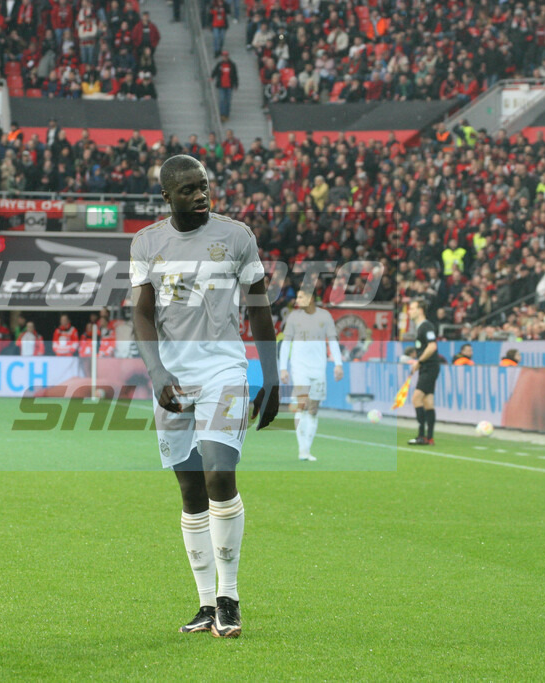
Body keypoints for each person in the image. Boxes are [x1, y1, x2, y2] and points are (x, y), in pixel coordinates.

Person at [130, 154, 279, 639]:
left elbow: (259, 311)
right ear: (167, 197)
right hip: (174, 378)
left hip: (224, 371)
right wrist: (156, 373)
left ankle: (229, 597)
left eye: (205, 186)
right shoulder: (147, 242)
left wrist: (271, 377)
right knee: (191, 491)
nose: (201, 194)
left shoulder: (236, 236)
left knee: (219, 470)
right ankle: (203, 603)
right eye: (190, 189)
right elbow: (144, 314)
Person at [278, 290, 343, 461]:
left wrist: (338, 364)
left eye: (301, 297)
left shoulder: (325, 316)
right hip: (300, 368)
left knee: (313, 410)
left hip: (318, 369)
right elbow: (286, 343)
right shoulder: (293, 317)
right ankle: (302, 450)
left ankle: (307, 449)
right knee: (302, 405)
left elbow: (333, 340)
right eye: (297, 297)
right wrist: (283, 368)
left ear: (311, 298)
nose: (297, 300)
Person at [406, 299, 438, 445]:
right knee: (427, 401)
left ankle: (421, 436)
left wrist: (418, 362)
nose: (409, 311)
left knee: (416, 399)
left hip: (429, 367)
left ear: (420, 310)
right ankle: (429, 437)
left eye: (412, 309)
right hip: (428, 367)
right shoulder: (420, 327)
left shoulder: (426, 326)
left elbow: (432, 347)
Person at [211, 51, 238, 122]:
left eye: (226, 56)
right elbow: (215, 71)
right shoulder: (220, 64)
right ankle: (222, 114)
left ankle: (226, 114)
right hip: (221, 85)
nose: (225, 57)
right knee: (222, 100)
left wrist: (236, 84)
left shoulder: (232, 65)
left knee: (228, 101)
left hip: (229, 85)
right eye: (223, 56)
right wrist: (212, 77)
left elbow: (235, 75)